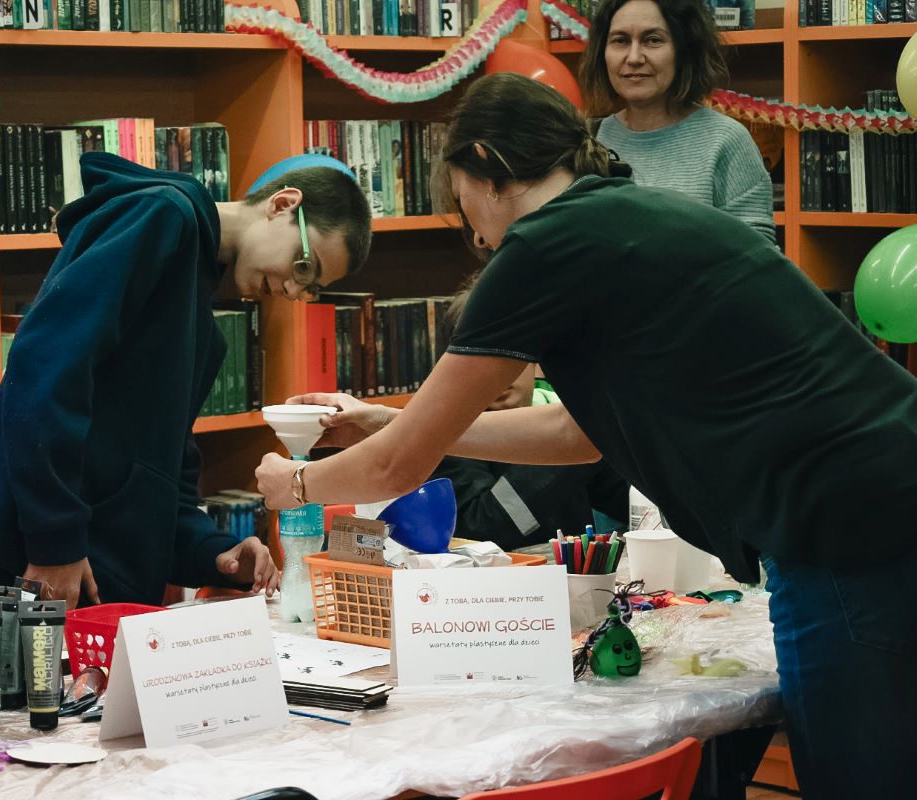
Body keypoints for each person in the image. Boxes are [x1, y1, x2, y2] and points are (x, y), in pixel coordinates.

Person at [256, 73, 916, 799]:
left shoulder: (545, 243)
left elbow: (397, 468)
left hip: (847, 524)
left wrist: (296, 484)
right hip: (883, 490)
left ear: (485, 163)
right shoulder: (623, 217)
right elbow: (580, 432)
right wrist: (395, 421)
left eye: (462, 199)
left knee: (860, 780)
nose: (475, 234)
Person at [0, 152, 372, 609]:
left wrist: (214, 550)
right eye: (304, 266)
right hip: (52, 554)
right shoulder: (164, 215)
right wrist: (54, 540)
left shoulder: (201, 314)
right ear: (282, 204)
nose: (291, 289)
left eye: (309, 288)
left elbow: (163, 465)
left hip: (101, 568)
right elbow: (43, 367)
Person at [431, 277, 628, 547]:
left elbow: (629, 502)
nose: (498, 377)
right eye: (481, 360)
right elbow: (484, 531)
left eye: (510, 357)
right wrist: (566, 433)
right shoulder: (446, 437)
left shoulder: (559, 408)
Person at [581, 0, 776, 242]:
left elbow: (756, 262)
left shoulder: (726, 141)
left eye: (652, 40)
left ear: (685, 50)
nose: (633, 57)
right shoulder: (587, 139)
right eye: (620, 40)